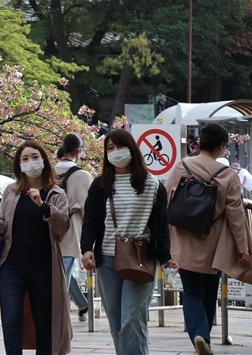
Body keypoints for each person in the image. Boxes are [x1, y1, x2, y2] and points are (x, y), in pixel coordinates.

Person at [80, 129, 176, 355]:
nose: (115, 152)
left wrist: (165, 257)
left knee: (132, 318)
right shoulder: (100, 185)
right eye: (110, 148)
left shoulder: (152, 185)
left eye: (119, 147)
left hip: (141, 258)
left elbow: (161, 224)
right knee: (116, 319)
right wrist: (86, 249)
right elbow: (91, 221)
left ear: (132, 148)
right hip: (107, 260)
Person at [166, 123, 252, 355]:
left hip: (183, 242)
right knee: (208, 293)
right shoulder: (227, 175)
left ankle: (198, 334)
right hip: (212, 243)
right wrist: (243, 247)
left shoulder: (181, 167)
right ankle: (203, 336)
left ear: (198, 144)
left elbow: (166, 202)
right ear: (221, 146)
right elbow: (236, 216)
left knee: (191, 293)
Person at [0, 140, 71, 355]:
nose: (30, 162)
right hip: (12, 265)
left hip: (44, 267)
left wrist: (44, 206)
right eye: (24, 159)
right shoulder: (11, 191)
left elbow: (62, 228)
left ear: (44, 160)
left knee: (43, 321)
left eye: (35, 157)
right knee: (12, 317)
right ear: (19, 165)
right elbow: (3, 223)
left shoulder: (56, 194)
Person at [54, 132, 93, 321]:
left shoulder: (49, 172)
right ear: (78, 151)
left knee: (62, 274)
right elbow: (89, 210)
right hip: (70, 233)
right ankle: (59, 314)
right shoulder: (83, 176)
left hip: (48, 231)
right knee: (64, 276)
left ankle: (81, 303)